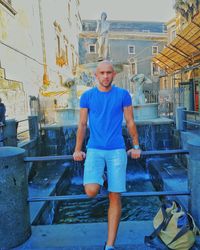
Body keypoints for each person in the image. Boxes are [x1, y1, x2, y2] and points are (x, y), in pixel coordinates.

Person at [73, 61, 141, 250]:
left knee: (114, 196)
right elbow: (82, 124)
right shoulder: (87, 96)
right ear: (96, 75)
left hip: (117, 150)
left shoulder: (123, 95)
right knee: (91, 191)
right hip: (94, 149)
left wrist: (136, 146)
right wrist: (78, 149)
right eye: (102, 73)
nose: (105, 76)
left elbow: (130, 121)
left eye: (108, 73)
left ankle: (109, 245)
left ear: (114, 75)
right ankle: (103, 178)